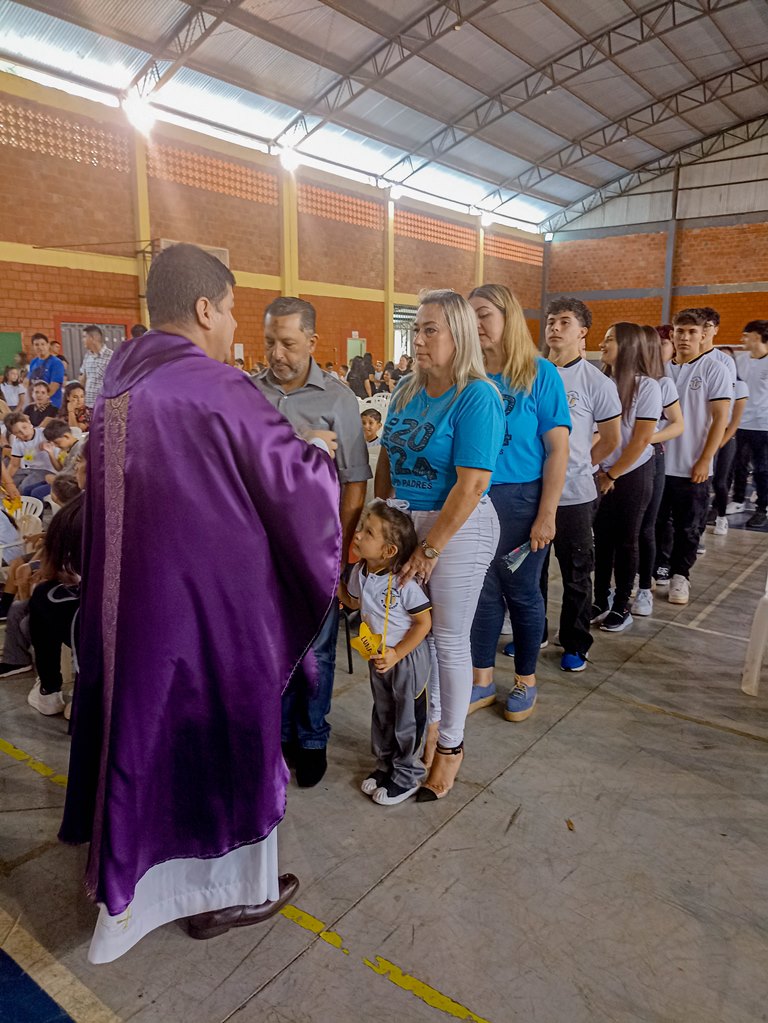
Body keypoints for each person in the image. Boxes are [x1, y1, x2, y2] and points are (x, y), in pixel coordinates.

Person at [59, 243, 341, 964]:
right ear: (206, 307)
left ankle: (137, 888)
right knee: (223, 742)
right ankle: (225, 893)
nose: (233, 328)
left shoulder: (118, 385)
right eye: (233, 310)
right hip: (209, 618)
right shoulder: (213, 386)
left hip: (136, 613)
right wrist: (323, 453)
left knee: (147, 736)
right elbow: (294, 487)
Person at [376, 289, 504, 800]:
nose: (420, 338)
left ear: (459, 337)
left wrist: (429, 549)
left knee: (447, 638)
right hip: (406, 522)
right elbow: (387, 459)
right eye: (417, 328)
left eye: (432, 329)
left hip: (457, 526)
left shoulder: (478, 395)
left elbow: (471, 484)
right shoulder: (407, 389)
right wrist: (384, 522)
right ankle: (430, 729)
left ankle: (450, 746)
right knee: (420, 637)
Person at [253, 296, 370, 788]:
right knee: (269, 647)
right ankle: (276, 736)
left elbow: (356, 481)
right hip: (258, 550)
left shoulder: (339, 400)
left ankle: (311, 738)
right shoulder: (248, 392)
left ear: (312, 342)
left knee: (317, 651)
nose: (276, 354)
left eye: (287, 343)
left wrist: (342, 552)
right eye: (269, 343)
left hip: (315, 549)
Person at [467, 284, 569, 720]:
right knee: (483, 592)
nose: (476, 324)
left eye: (484, 314)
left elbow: (558, 449)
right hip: (472, 497)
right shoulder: (468, 374)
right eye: (469, 316)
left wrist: (546, 513)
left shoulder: (539, 373)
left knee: (522, 592)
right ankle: (482, 680)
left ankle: (526, 679)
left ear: (507, 318)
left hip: (520, 500)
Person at [540, 298, 621, 671]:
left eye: (565, 322)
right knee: (530, 571)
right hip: (532, 491)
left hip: (574, 495)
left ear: (583, 331)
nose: (555, 328)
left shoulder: (597, 382)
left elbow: (610, 439)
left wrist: (576, 467)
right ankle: (533, 633)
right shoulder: (532, 374)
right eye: (551, 321)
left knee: (574, 572)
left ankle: (575, 642)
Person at [339, 501, 432, 805]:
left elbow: (423, 623)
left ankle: (408, 775)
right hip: (377, 655)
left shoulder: (404, 583)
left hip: (406, 659)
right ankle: (385, 765)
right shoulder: (360, 571)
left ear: (388, 551)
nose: (358, 535)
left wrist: (397, 653)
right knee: (383, 712)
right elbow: (353, 603)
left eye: (368, 532)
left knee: (408, 718)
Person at [655, 309, 731, 604]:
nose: (684, 337)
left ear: (703, 335)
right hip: (659, 464)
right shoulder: (661, 369)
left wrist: (704, 459)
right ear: (672, 335)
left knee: (689, 526)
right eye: (679, 331)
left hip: (692, 466)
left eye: (691, 332)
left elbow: (720, 419)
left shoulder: (715, 369)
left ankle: (680, 576)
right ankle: (656, 570)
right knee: (657, 524)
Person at [592, 324, 662, 632]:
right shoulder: (601, 381)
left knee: (626, 541)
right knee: (601, 540)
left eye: (609, 340)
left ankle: (623, 605)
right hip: (599, 472)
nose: (602, 344)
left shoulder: (647, 387)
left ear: (629, 346)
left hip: (631, 474)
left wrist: (612, 473)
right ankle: (600, 599)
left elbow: (641, 439)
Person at [632, 326, 683, 617]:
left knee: (646, 527)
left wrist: (641, 438)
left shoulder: (662, 383)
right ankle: (615, 588)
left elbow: (677, 424)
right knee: (616, 531)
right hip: (615, 463)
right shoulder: (612, 380)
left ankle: (644, 588)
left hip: (650, 461)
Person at [25, 490, 84, 717]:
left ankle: (50, 688)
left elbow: (54, 569)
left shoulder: (80, 511)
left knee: (42, 595)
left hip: (102, 618)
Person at [731, 321, 768, 529]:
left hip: (763, 425)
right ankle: (737, 501)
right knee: (738, 466)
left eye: (746, 335)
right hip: (741, 423)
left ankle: (762, 507)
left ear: (757, 336)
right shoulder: (739, 360)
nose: (742, 339)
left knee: (762, 469)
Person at [710, 347, 748, 536]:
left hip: (726, 436)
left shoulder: (739, 386)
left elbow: (734, 423)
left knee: (720, 481)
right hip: (707, 433)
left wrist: (718, 444)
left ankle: (721, 518)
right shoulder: (711, 379)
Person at [3, 411, 57, 495]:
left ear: (29, 423)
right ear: (14, 434)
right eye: (18, 432)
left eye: (24, 427)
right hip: (29, 469)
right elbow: (14, 465)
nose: (24, 433)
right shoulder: (17, 442)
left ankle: (25, 505)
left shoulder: (44, 433)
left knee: (23, 487)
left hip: (46, 470)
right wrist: (6, 482)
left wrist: (51, 444)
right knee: (11, 483)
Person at [28, 333, 65, 409]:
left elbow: (54, 386)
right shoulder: (33, 362)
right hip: (36, 406)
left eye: (43, 344)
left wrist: (41, 401)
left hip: (52, 406)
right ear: (33, 347)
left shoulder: (56, 363)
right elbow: (29, 384)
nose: (40, 347)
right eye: (36, 345)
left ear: (48, 345)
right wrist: (32, 402)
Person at [79, 325, 113, 410]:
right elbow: (83, 379)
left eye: (84, 337)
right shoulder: (87, 356)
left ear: (93, 338)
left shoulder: (111, 356)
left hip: (103, 406)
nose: (82, 340)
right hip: (88, 406)